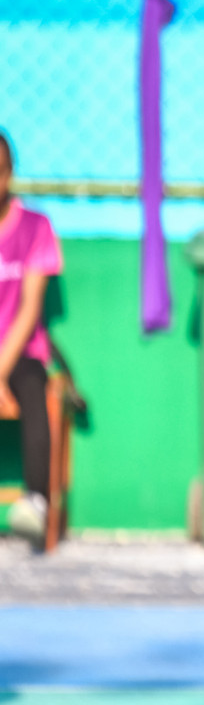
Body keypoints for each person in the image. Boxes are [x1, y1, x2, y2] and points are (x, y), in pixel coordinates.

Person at [0, 130, 64, 549]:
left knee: (34, 387)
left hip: (19, 354)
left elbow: (28, 310)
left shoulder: (36, 227)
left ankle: (36, 500)